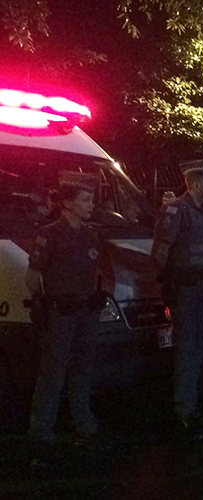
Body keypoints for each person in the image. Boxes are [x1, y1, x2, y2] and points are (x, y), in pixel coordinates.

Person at [25, 172, 106, 467]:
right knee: (52, 374)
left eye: (92, 199)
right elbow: (32, 277)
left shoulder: (90, 234)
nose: (91, 205)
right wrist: (46, 303)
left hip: (86, 313)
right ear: (68, 204)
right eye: (85, 200)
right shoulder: (50, 233)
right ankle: (41, 435)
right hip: (61, 313)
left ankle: (83, 425)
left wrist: (97, 294)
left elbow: (95, 271)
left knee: (82, 371)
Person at [151, 159, 203, 440]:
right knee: (186, 349)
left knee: (199, 349)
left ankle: (191, 403)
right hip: (184, 291)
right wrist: (167, 286)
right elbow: (160, 252)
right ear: (194, 185)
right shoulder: (178, 211)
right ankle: (184, 410)